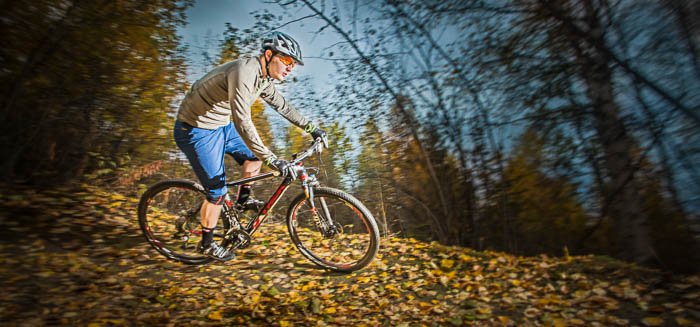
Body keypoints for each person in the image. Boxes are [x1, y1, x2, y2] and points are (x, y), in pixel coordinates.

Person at [174, 31, 326, 260]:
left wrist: (311, 128)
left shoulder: (263, 79)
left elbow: (283, 106)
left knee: (251, 159)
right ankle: (206, 244)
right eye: (286, 60)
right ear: (268, 54)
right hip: (196, 129)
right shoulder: (245, 71)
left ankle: (242, 202)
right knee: (216, 190)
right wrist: (270, 158)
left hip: (220, 126)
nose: (290, 67)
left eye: (293, 64)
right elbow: (242, 119)